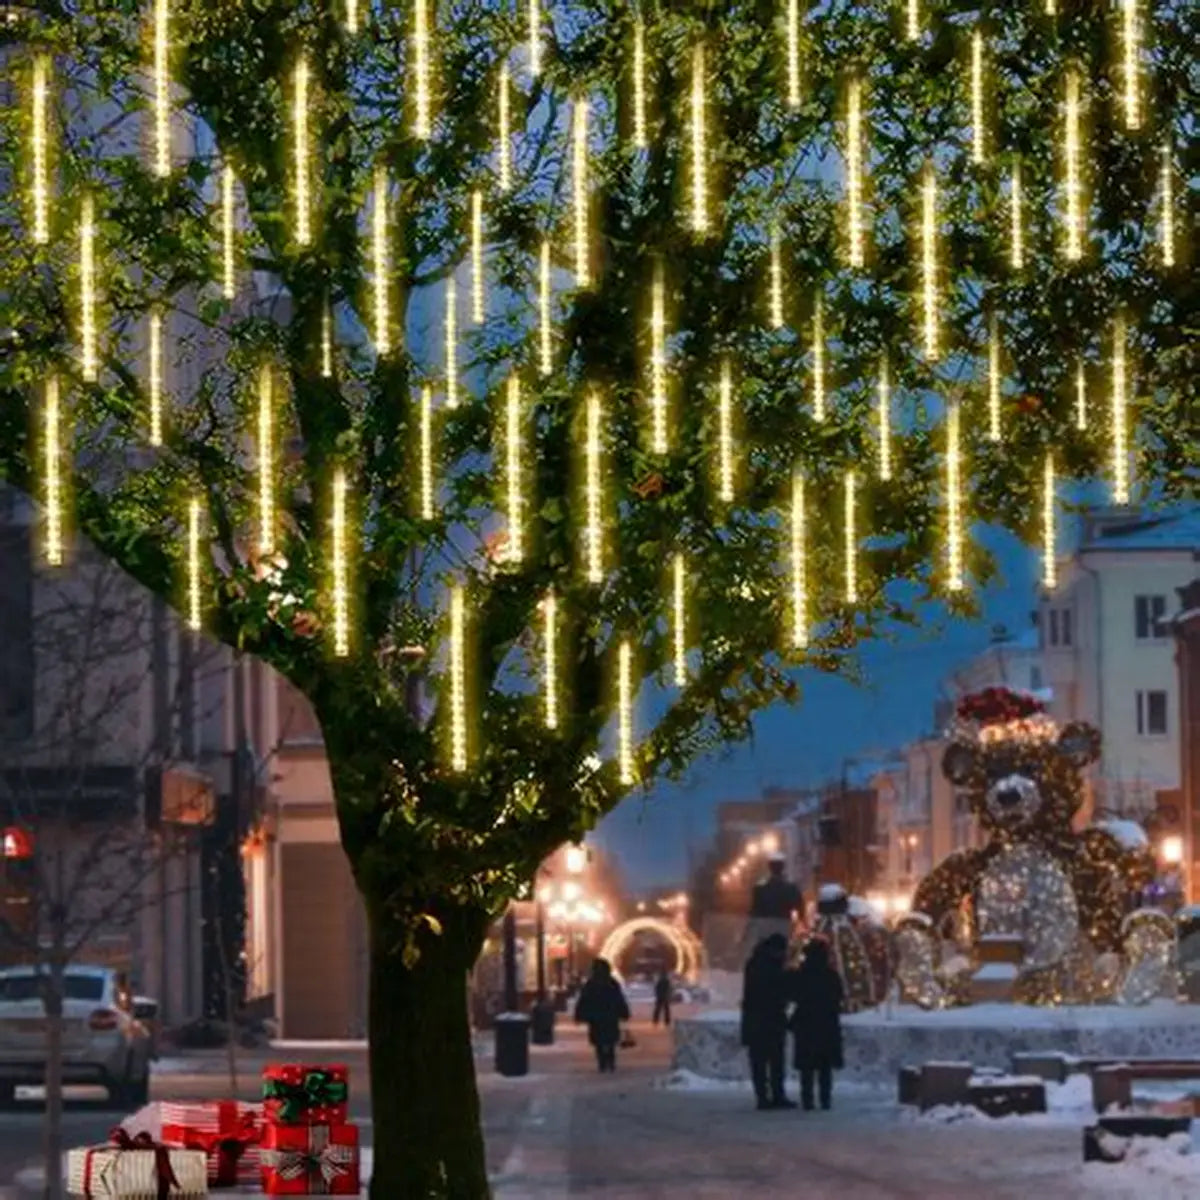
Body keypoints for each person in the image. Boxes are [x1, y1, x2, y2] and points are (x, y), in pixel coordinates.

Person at [740, 933, 795, 1111]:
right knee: (773, 1060)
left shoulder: (755, 963)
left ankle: (764, 1096)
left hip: (757, 1020)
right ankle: (774, 1095)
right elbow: (777, 990)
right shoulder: (771, 967)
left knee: (761, 1061)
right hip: (769, 1019)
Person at [788, 937, 844, 1111]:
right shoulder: (831, 976)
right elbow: (838, 997)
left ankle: (807, 1099)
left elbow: (793, 994)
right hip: (826, 1023)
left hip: (805, 1022)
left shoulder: (800, 975)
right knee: (824, 1066)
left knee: (807, 1066)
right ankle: (825, 1099)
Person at [574, 958, 631, 1072]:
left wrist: (580, 1015)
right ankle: (610, 1060)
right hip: (610, 1017)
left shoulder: (591, 984)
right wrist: (624, 1013)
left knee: (599, 1041)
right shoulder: (612, 983)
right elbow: (619, 999)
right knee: (610, 1040)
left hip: (596, 1018)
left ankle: (602, 1062)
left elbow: (584, 1000)